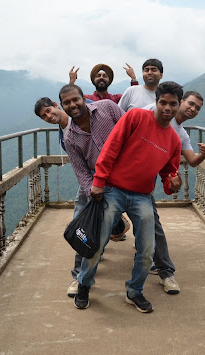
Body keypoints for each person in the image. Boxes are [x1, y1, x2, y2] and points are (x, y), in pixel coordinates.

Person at [74, 81, 184, 313]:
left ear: (178, 105)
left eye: (172, 104)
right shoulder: (135, 117)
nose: (167, 107)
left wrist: (173, 185)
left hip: (142, 195)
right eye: (163, 102)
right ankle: (84, 284)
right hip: (113, 189)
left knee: (146, 249)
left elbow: (168, 175)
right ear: (156, 101)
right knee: (97, 241)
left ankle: (134, 291)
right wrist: (98, 181)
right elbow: (111, 147)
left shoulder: (174, 141)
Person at [58, 84, 127, 297]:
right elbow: (80, 170)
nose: (72, 105)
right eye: (67, 103)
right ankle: (79, 278)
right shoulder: (70, 136)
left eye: (75, 99)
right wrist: (93, 192)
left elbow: (131, 129)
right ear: (62, 106)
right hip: (100, 183)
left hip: (129, 178)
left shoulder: (107, 108)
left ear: (84, 98)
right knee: (84, 227)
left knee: (151, 226)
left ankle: (163, 271)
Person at [68, 63, 139, 104]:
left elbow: (135, 99)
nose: (101, 78)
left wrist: (133, 78)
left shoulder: (117, 99)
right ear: (93, 79)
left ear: (109, 80)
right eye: (98, 76)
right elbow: (70, 100)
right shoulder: (86, 99)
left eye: (105, 76)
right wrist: (72, 82)